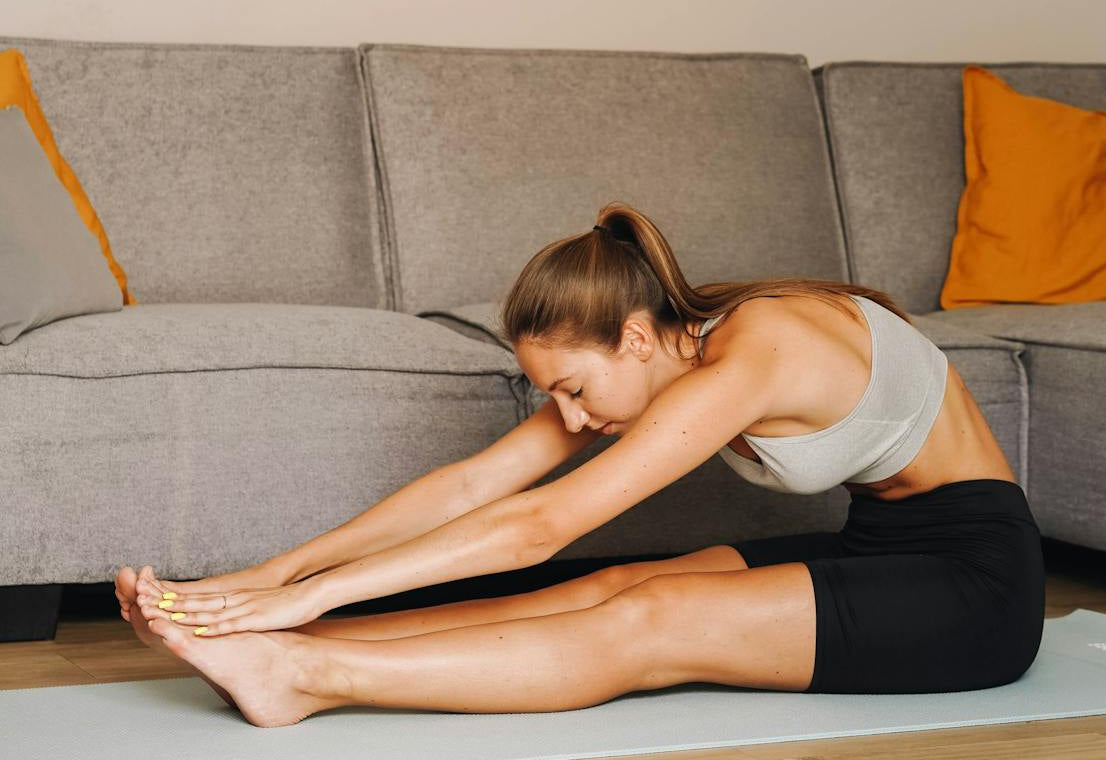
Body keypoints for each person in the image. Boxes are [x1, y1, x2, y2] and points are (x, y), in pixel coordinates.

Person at [119, 203, 1045, 727]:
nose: (565, 415)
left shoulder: (757, 349)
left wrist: (311, 597)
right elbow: (480, 484)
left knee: (648, 618)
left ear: (636, 337)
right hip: (879, 548)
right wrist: (271, 583)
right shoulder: (668, 357)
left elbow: (538, 526)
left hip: (976, 586)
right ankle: (273, 656)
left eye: (569, 387)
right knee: (611, 583)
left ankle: (308, 677)